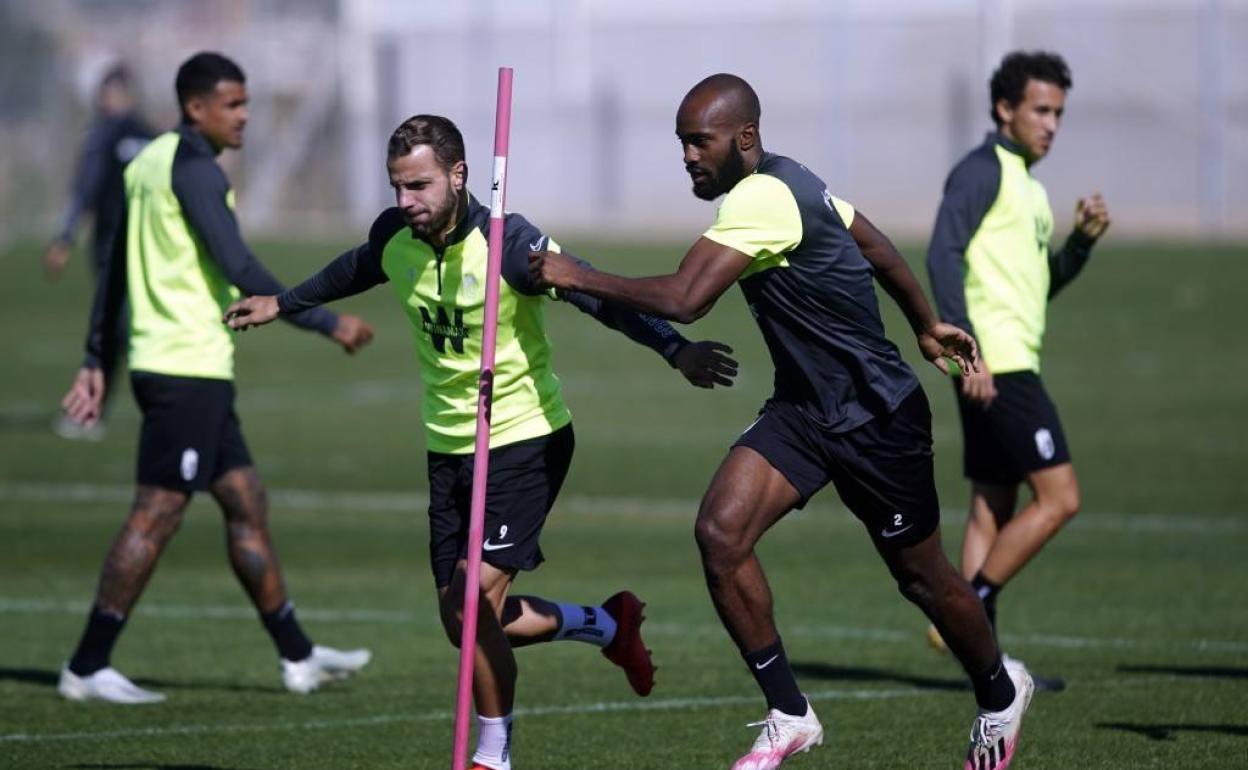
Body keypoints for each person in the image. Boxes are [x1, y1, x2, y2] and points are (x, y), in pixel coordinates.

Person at [529, 73, 1034, 770]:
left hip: (876, 417)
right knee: (720, 531)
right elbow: (876, 243)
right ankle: (789, 713)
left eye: (698, 142)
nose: (687, 157)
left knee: (922, 579)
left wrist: (575, 275)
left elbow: (684, 298)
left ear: (744, 138)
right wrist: (924, 324)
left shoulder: (765, 198)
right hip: (804, 411)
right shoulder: (794, 181)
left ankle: (1000, 692)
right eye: (680, 143)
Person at [223, 114, 738, 770]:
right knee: (462, 620)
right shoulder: (395, 234)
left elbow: (598, 298)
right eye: (396, 187)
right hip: (448, 449)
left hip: (525, 439)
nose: (405, 202)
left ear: (459, 175)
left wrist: (675, 350)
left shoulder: (510, 243)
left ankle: (493, 756)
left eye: (418, 186)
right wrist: (283, 303)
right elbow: (355, 267)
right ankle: (608, 625)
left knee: (471, 605)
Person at [57, 52, 375, 705]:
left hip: (174, 364)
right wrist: (326, 323)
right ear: (196, 106)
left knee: (243, 500)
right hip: (185, 369)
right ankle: (87, 665)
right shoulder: (197, 173)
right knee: (156, 513)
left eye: (246, 102)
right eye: (233, 104)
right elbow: (242, 266)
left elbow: (114, 265)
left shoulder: (146, 161)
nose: (245, 116)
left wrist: (96, 358)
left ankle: (297, 656)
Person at [924, 51, 1110, 672]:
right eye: (1040, 110)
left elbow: (1038, 286)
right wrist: (966, 351)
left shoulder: (1030, 186)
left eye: (1059, 112)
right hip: (997, 367)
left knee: (991, 506)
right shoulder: (982, 172)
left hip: (1003, 359)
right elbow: (941, 255)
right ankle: (967, 607)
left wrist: (1079, 244)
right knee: (1061, 498)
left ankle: (989, 668)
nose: (1052, 123)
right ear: (1005, 109)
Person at [45, 63, 154, 439]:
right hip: (111, 248)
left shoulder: (146, 133)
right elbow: (86, 189)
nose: (111, 99)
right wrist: (65, 238)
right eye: (107, 93)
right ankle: (91, 409)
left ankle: (150, 408)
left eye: (117, 92)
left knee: (129, 330)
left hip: (150, 249)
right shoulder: (101, 135)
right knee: (115, 328)